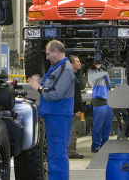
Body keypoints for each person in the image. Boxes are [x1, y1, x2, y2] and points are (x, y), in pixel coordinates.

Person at [27, 40, 75, 180]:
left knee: (58, 153)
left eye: (48, 54)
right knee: (54, 153)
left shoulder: (65, 68)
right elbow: (53, 85)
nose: (46, 57)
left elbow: (55, 93)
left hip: (58, 115)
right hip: (54, 115)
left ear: (56, 52)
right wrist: (40, 81)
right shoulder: (56, 67)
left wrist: (39, 88)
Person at [88, 62, 113, 152]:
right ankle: (95, 145)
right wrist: (106, 71)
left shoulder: (103, 71)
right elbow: (93, 80)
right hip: (99, 99)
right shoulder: (91, 72)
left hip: (107, 99)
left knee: (107, 124)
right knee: (98, 125)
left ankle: (105, 144)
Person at [68, 55, 85, 159]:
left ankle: (70, 151)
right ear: (71, 64)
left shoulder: (75, 76)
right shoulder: (70, 77)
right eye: (77, 62)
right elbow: (73, 95)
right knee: (73, 132)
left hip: (73, 109)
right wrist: (76, 109)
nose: (80, 63)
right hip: (73, 110)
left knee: (73, 131)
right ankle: (71, 152)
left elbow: (81, 87)